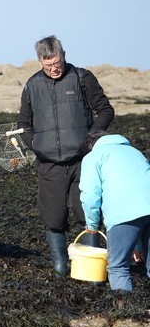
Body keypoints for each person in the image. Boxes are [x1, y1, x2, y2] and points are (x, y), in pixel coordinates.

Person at [17, 35, 114, 276]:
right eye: (48, 64)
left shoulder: (82, 77)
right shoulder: (31, 86)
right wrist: (35, 144)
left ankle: (90, 269)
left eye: (57, 62)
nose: (54, 68)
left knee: (88, 215)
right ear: (40, 61)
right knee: (54, 218)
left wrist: (91, 139)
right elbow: (23, 125)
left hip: (82, 161)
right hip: (48, 165)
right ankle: (60, 268)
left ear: (64, 55)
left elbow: (105, 111)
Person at [79, 130, 150, 291]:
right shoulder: (135, 152)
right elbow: (141, 198)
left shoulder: (93, 156)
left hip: (122, 213)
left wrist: (92, 224)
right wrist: (138, 245)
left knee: (118, 267)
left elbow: (90, 194)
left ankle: (126, 313)